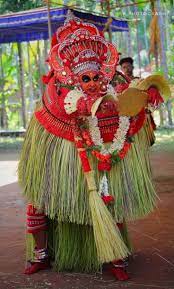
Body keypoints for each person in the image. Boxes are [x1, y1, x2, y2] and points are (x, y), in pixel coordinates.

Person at [18, 11, 166, 280]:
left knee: (111, 200)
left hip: (106, 148)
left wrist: (147, 92)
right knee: (40, 202)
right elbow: (62, 104)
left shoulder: (114, 79)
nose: (93, 83)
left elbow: (132, 93)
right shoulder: (58, 84)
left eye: (97, 78)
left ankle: (116, 257)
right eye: (86, 80)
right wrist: (85, 104)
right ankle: (40, 254)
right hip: (65, 149)